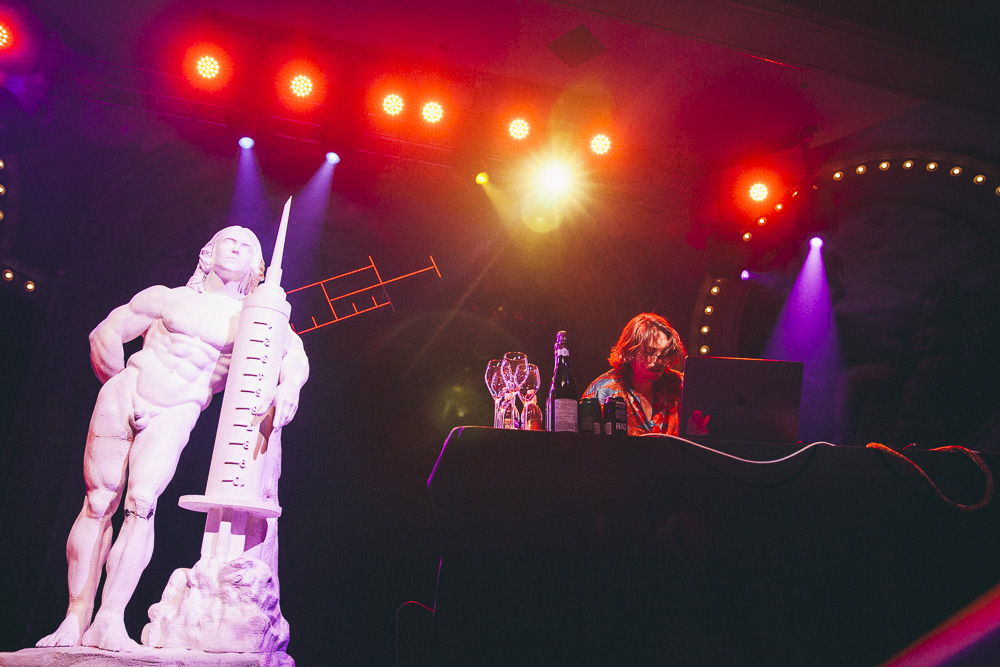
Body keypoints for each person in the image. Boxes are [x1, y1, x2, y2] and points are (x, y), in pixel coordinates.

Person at [36, 226, 309, 652]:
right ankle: (75, 616)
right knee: (97, 503)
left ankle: (109, 621)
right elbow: (105, 333)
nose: (236, 248)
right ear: (207, 252)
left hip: (178, 408)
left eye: (247, 246)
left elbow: (295, 357)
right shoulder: (166, 297)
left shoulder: (254, 319)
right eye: (228, 241)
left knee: (141, 505)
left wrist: (288, 388)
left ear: (258, 266)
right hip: (126, 391)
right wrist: (121, 383)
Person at [583, 313, 686, 436]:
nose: (658, 361)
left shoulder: (682, 385)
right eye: (649, 352)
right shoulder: (602, 390)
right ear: (630, 351)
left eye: (664, 353)